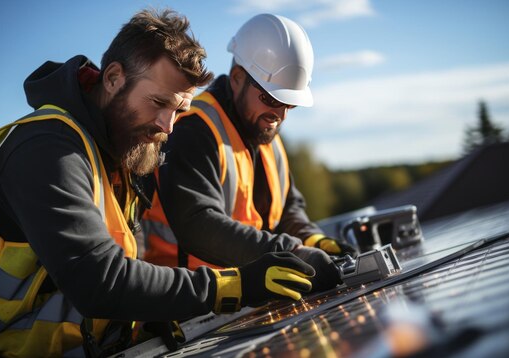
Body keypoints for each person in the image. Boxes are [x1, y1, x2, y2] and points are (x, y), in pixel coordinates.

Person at [0, 9, 318, 357]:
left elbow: (114, 270)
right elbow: (99, 281)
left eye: (178, 110)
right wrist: (231, 286)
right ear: (115, 77)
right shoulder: (46, 149)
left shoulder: (121, 148)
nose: (167, 127)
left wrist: (145, 316)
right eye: (158, 103)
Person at [142, 14, 357, 293]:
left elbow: (288, 209)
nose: (279, 115)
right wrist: (292, 251)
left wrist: (312, 238)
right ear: (237, 78)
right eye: (271, 98)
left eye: (289, 104)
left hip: (251, 296)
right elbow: (198, 224)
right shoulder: (192, 129)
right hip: (188, 303)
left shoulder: (266, 134)